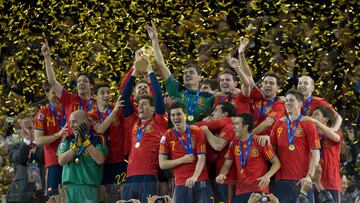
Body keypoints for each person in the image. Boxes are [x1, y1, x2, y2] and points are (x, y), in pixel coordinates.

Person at [146, 21, 214, 123]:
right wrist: (154, 40)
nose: (187, 75)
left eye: (191, 72)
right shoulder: (177, 90)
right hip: (175, 136)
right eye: (185, 73)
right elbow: (161, 64)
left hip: (197, 136)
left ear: (200, 77)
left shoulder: (209, 97)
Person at [121, 57, 168, 202]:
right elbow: (124, 95)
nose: (140, 107)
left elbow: (158, 98)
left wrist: (150, 72)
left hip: (149, 177)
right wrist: (135, 71)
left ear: (153, 108)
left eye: (145, 104)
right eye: (139, 104)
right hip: (129, 177)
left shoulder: (159, 121)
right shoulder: (133, 121)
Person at [216, 113, 281, 203]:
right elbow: (227, 165)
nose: (233, 127)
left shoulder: (259, 141)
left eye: (237, 124)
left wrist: (267, 176)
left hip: (259, 190)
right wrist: (222, 174)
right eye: (233, 124)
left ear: (245, 126)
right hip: (240, 191)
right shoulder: (234, 143)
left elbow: (276, 163)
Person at [270, 89, 321, 203]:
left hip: (302, 181)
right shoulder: (278, 123)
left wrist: (309, 176)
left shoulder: (308, 124)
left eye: (291, 100)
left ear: (300, 104)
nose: (288, 103)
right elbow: (271, 150)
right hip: (281, 180)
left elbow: (316, 154)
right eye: (286, 100)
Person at [159, 102, 213, 202]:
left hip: (200, 181)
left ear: (185, 115)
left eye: (179, 114)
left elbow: (202, 159)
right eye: (173, 115)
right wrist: (182, 160)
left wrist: (194, 177)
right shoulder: (167, 135)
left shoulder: (197, 131)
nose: (176, 117)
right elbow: (162, 164)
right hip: (181, 184)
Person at [42, 39, 96, 135]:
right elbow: (52, 82)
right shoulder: (69, 98)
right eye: (79, 81)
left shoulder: (96, 103)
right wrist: (47, 57)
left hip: (92, 140)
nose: (81, 83)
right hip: (72, 142)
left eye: (85, 81)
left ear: (91, 86)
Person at [237, 38, 285, 136]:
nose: (267, 85)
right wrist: (241, 54)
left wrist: (250, 135)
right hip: (248, 136)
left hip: (264, 141)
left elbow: (268, 123)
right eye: (265, 83)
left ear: (278, 87)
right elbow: (248, 76)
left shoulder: (279, 104)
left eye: (271, 84)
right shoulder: (257, 95)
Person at [57, 110, 108, 202]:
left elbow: (100, 160)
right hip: (69, 189)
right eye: (70, 122)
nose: (71, 125)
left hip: (90, 190)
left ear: (85, 122)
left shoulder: (98, 138)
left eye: (74, 121)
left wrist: (85, 141)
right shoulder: (67, 138)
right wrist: (75, 147)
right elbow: (61, 161)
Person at [88, 83, 125, 202]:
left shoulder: (119, 110)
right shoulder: (90, 115)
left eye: (108, 92)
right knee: (102, 194)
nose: (106, 95)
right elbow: (100, 129)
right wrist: (114, 111)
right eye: (102, 93)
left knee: (123, 192)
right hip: (101, 161)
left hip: (118, 159)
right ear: (95, 96)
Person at [197, 103, 238, 202]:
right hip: (219, 176)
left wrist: (206, 131)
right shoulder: (219, 128)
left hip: (228, 178)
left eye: (216, 111)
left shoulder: (229, 126)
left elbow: (218, 145)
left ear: (225, 114)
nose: (213, 114)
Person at [34, 84, 67, 197]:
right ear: (47, 94)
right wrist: (58, 134)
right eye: (53, 92)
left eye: (58, 92)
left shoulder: (69, 109)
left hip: (72, 159)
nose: (57, 95)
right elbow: (38, 141)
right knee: (55, 197)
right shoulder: (42, 113)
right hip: (54, 161)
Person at [304, 105, 343, 202]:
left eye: (316, 114)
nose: (312, 116)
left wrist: (316, 122)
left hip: (331, 184)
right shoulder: (309, 137)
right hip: (311, 185)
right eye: (312, 114)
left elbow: (336, 138)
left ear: (325, 119)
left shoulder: (334, 133)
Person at [7, 117, 45, 203]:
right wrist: (27, 140)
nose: (28, 131)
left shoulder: (42, 146)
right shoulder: (13, 147)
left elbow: (43, 158)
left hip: (39, 196)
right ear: (20, 131)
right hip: (19, 195)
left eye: (30, 128)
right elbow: (20, 158)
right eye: (24, 128)